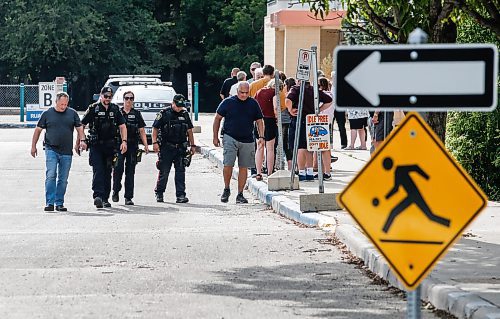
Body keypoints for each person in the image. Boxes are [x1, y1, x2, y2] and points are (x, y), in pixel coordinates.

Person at [31, 92, 86, 212]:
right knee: (51, 175)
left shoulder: (72, 113)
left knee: (63, 178)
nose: (63, 107)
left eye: (65, 104)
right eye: (61, 104)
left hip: (66, 151)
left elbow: (79, 127)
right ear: (56, 102)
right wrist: (33, 146)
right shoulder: (47, 114)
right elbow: (38, 130)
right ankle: (49, 202)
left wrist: (82, 140)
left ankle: (59, 202)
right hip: (51, 149)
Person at [213, 81, 264, 204]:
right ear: (237, 91)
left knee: (243, 167)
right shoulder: (228, 102)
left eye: (246, 93)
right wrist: (215, 137)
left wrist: (261, 136)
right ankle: (226, 188)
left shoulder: (253, 103)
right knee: (228, 164)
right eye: (242, 92)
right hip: (230, 136)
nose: (244, 95)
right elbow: (217, 118)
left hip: (247, 139)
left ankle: (240, 194)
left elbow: (259, 120)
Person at [81, 86, 127, 208]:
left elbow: (122, 126)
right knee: (98, 170)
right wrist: (82, 140)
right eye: (105, 96)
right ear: (101, 96)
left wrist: (124, 141)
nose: (107, 99)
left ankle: (105, 198)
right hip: (96, 145)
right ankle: (98, 196)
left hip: (111, 146)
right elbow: (82, 125)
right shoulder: (93, 108)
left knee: (108, 172)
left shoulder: (115, 109)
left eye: (110, 97)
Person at [152, 94, 196, 203]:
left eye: (181, 106)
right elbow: (155, 128)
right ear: (173, 103)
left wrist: (193, 145)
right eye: (177, 105)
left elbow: (189, 130)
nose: (179, 108)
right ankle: (159, 192)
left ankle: (180, 195)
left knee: (180, 172)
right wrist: (154, 143)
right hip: (167, 147)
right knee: (164, 171)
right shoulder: (164, 113)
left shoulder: (185, 114)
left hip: (180, 147)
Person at [285, 80, 332, 181]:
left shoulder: (296, 89)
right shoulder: (313, 90)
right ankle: (310, 172)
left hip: (299, 119)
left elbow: (287, 100)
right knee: (309, 146)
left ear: (298, 81)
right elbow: (329, 100)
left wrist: (290, 110)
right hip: (311, 120)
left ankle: (302, 172)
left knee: (300, 147)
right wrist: (318, 109)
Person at [111, 91, 149, 205]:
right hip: (119, 145)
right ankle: (116, 190)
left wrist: (146, 144)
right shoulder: (118, 112)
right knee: (118, 169)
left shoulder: (136, 113)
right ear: (123, 100)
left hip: (132, 145)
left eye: (131, 99)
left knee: (130, 172)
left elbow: (142, 130)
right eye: (127, 98)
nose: (129, 101)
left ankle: (128, 197)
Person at [254, 79, 286, 180]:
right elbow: (276, 108)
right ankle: (269, 172)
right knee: (270, 148)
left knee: (260, 147)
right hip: (270, 120)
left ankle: (258, 172)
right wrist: (277, 118)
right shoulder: (274, 93)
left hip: (258, 121)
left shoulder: (259, 92)